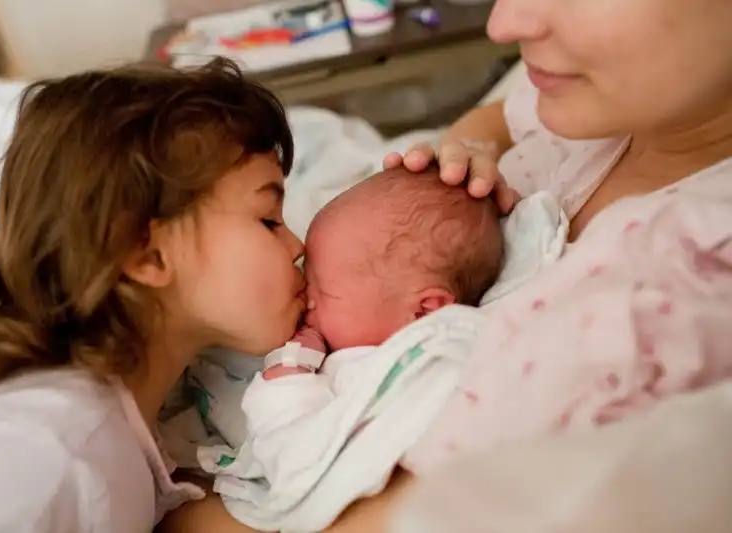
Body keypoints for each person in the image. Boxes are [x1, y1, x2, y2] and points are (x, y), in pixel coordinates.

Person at [164, 0, 732, 529]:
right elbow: (500, 116)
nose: (502, 24)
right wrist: (469, 150)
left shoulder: (685, 284)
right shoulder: (603, 110)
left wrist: (163, 505)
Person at [0, 58, 308, 532]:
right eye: (269, 220)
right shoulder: (50, 456)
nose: (298, 246)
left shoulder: (121, 433)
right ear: (146, 253)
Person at [191, 167, 505, 531]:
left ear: (424, 311)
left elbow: (296, 460)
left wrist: (289, 374)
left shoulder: (423, 367)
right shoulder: (362, 342)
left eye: (323, 291)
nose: (305, 296)